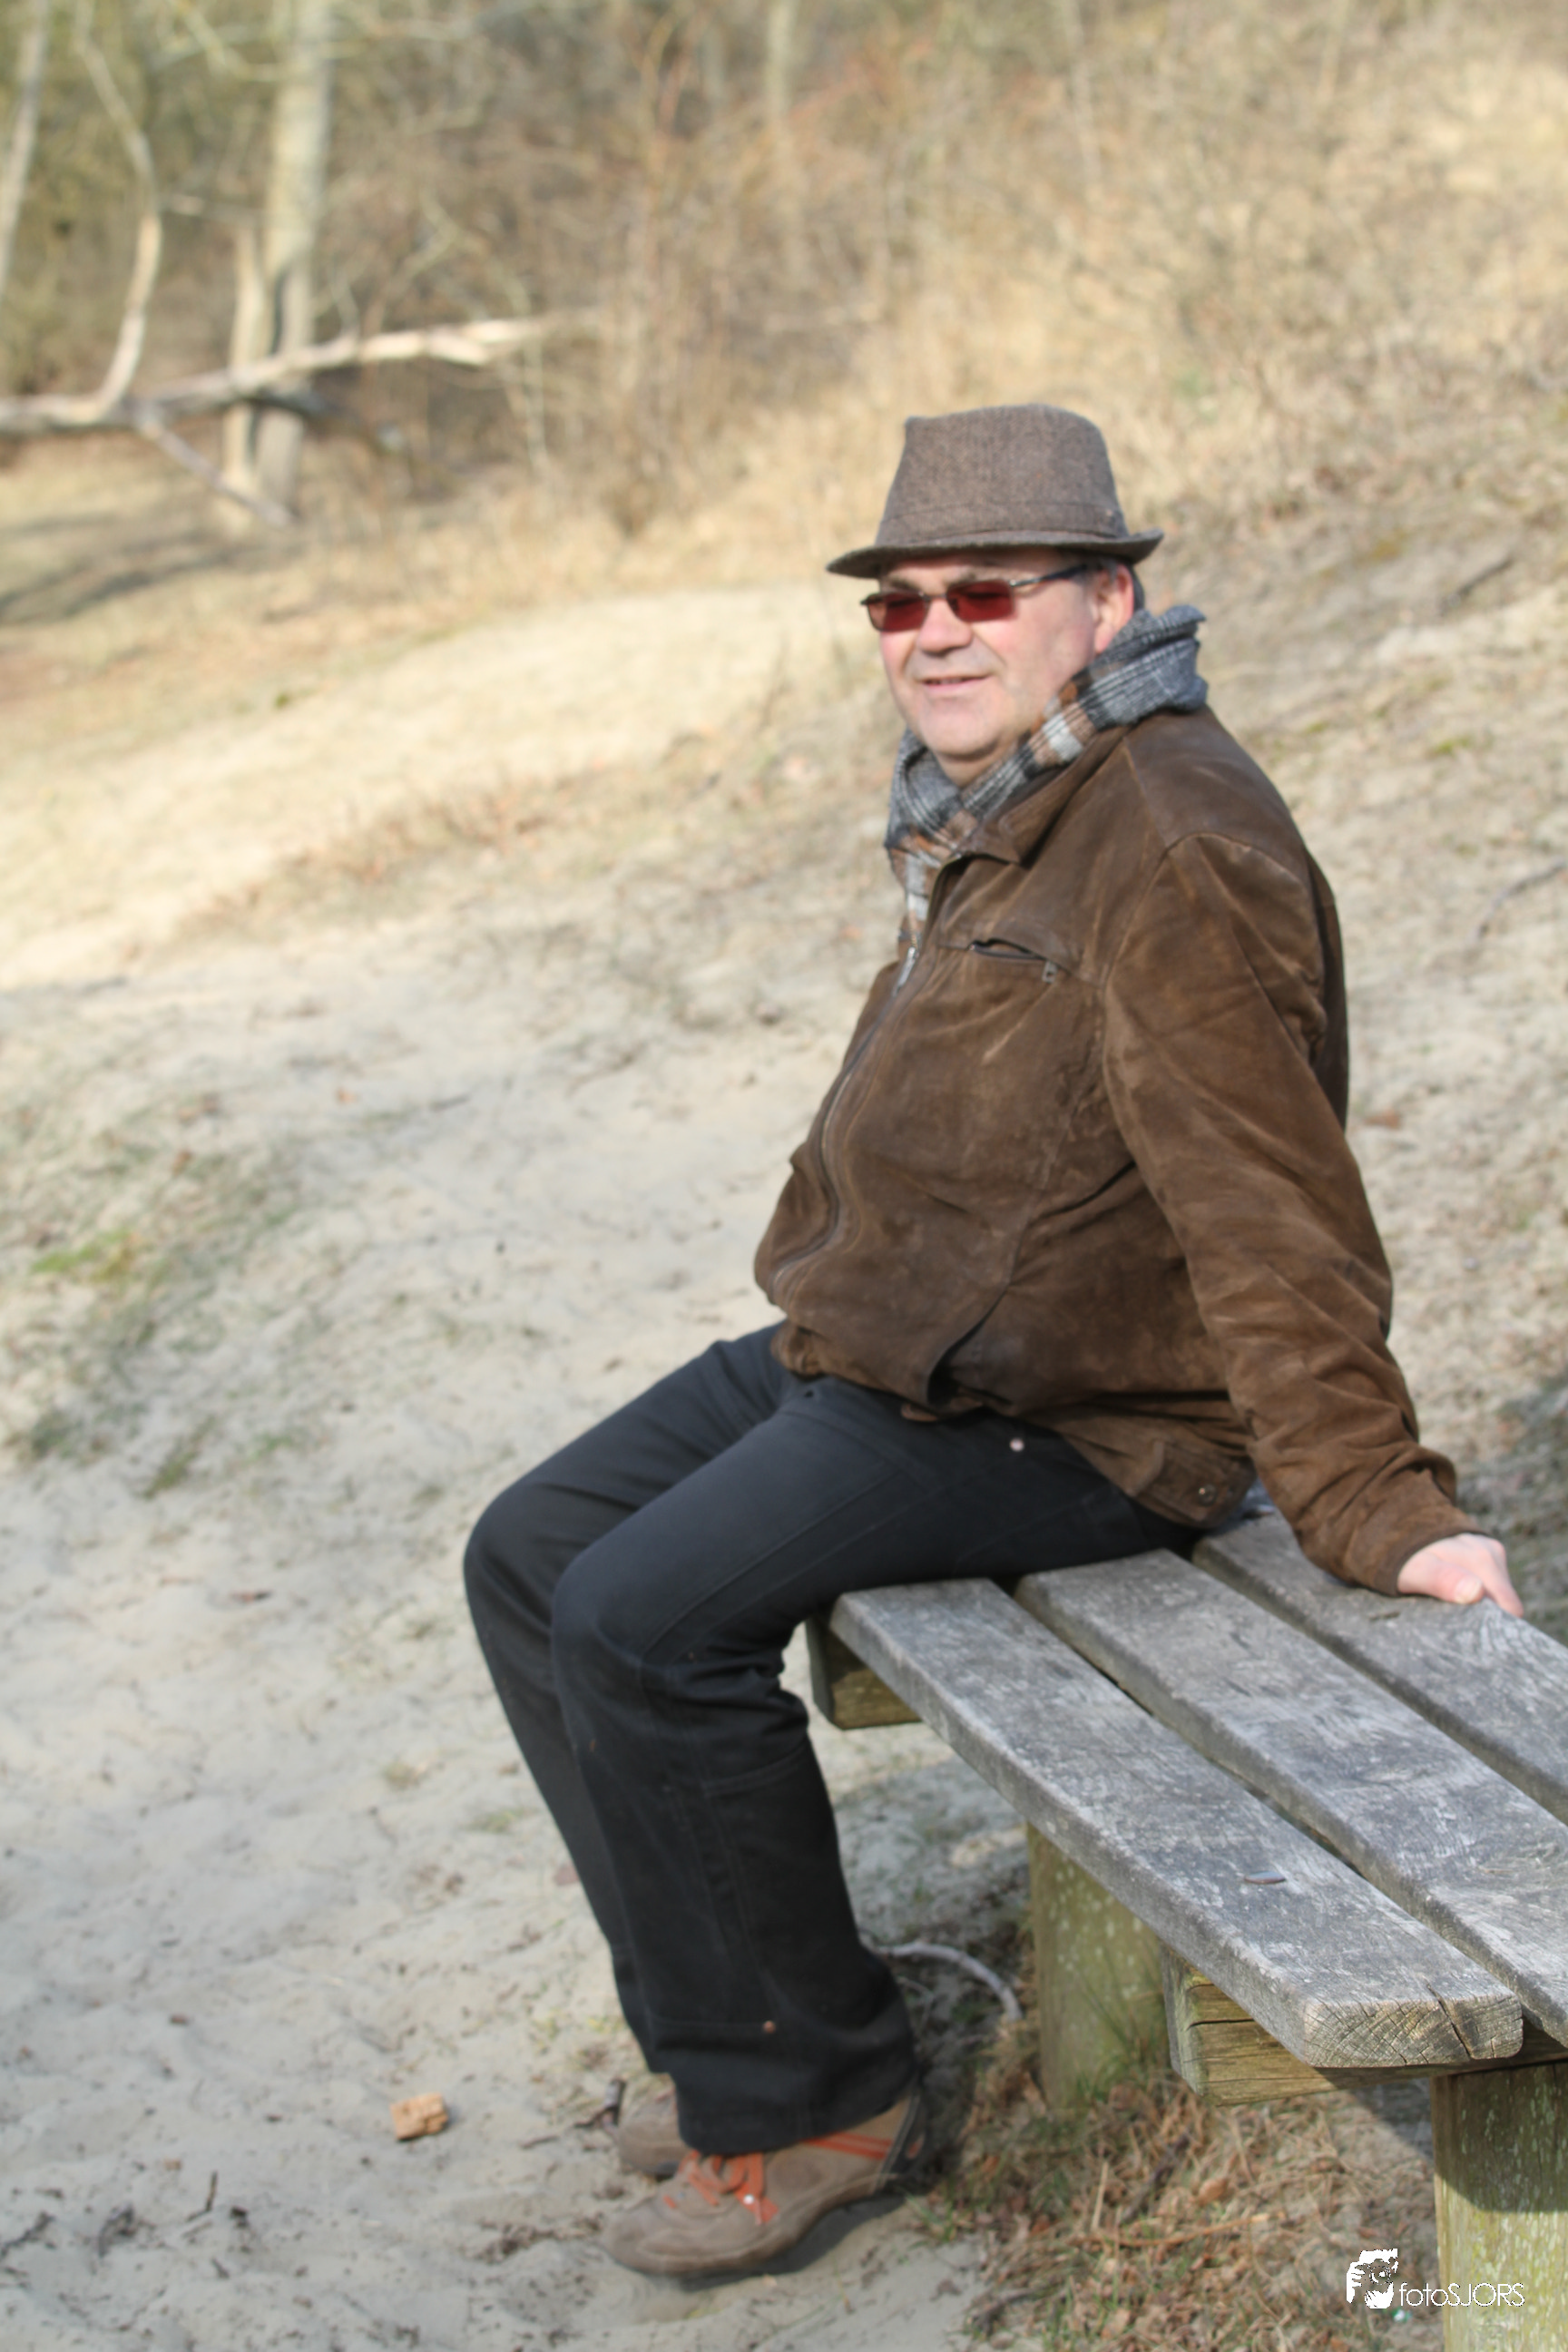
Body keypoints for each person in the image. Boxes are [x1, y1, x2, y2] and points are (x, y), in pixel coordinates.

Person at [464, 403, 1520, 2279]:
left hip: (1076, 1414)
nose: (933, 631)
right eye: (898, 602)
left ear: (1107, 603)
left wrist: (1373, 1497)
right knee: (532, 1551)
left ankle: (819, 2101)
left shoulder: (1169, 832)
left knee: (638, 1620)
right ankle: (722, 2037)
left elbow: (1270, 1197)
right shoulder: (1014, 797)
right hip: (894, 1347)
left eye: (984, 591)